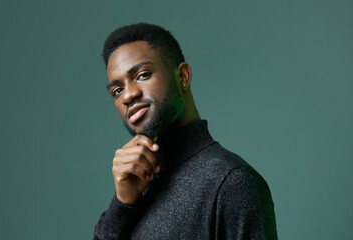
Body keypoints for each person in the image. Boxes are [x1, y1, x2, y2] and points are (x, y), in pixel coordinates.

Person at [94, 23, 277, 240]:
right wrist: (122, 205)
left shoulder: (232, 182)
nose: (127, 96)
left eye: (143, 75)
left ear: (182, 76)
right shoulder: (134, 188)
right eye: (117, 90)